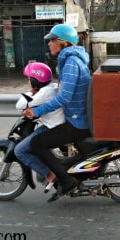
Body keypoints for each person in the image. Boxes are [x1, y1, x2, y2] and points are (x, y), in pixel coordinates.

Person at [24, 24, 91, 202]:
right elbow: (65, 91)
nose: (49, 44)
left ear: (64, 43)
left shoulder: (70, 63)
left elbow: (64, 98)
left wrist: (37, 110)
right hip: (77, 116)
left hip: (77, 121)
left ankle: (66, 180)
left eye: (52, 40)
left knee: (37, 143)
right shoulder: (72, 60)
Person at [14, 62, 65, 189]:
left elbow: (20, 105)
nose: (28, 82)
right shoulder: (50, 87)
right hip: (58, 125)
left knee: (19, 150)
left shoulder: (43, 93)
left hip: (51, 128)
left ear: (35, 81)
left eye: (29, 79)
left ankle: (50, 173)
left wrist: (31, 92)